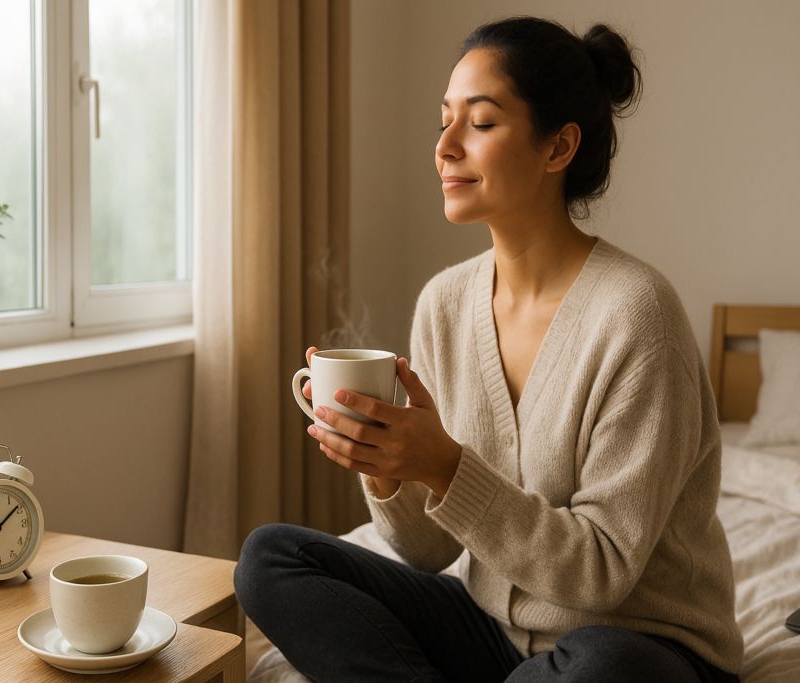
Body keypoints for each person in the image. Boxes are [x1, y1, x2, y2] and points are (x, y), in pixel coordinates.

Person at [237, 16, 743, 682]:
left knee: (602, 668)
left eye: (479, 123)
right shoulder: (444, 304)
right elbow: (429, 550)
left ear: (558, 147)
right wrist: (390, 469)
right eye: (444, 120)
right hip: (493, 629)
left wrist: (446, 466)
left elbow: (600, 573)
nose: (445, 146)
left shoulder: (638, 315)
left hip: (634, 642)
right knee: (270, 557)